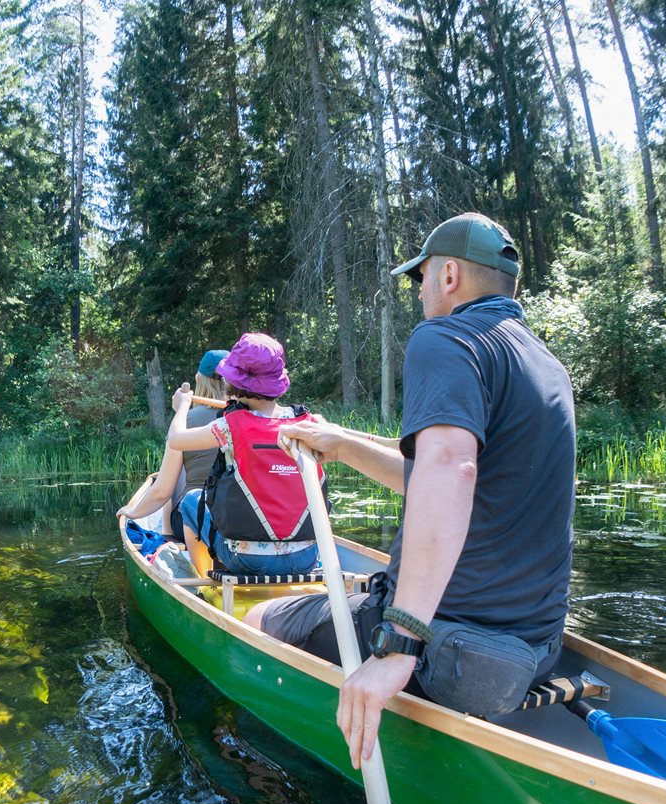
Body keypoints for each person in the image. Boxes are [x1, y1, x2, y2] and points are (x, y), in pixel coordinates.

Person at [244, 212, 576, 770]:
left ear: (449, 276)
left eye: (419, 277)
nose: (418, 292)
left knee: (257, 622)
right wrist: (342, 444)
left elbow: (450, 469)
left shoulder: (446, 338)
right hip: (534, 651)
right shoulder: (547, 366)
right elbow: (446, 478)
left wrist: (400, 643)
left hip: (445, 645)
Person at [167, 333, 323, 577]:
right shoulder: (308, 423)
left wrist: (183, 406)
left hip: (247, 560)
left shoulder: (230, 425)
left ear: (235, 383)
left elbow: (176, 440)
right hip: (306, 559)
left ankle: (201, 585)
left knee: (190, 501)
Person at [117, 349, 228, 538]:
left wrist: (133, 512)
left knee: (172, 469)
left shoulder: (184, 420)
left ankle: (167, 532)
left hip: (192, 524)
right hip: (238, 518)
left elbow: (162, 492)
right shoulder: (251, 418)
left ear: (200, 381)